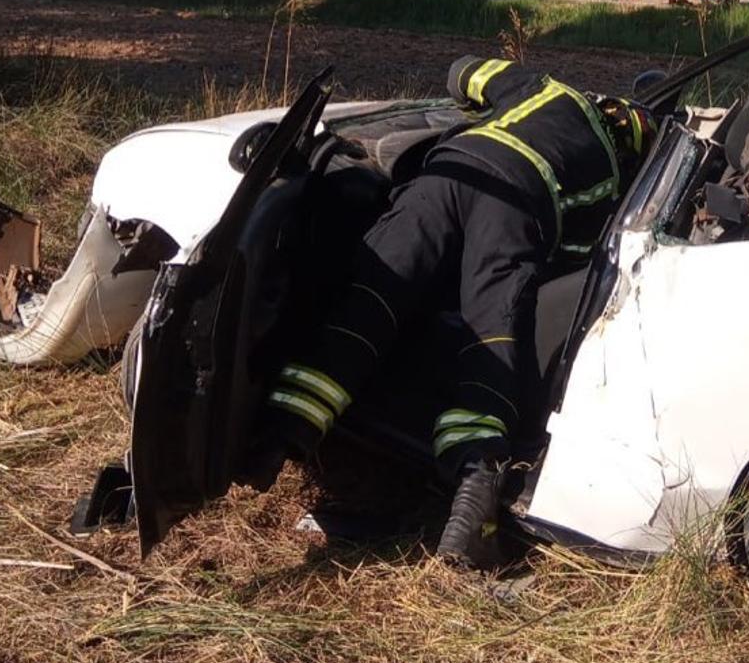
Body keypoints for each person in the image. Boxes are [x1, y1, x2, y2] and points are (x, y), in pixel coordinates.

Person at [250, 56, 658, 568]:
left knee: (371, 298)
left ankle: (277, 437)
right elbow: (571, 269)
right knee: (490, 341)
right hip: (514, 212)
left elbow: (464, 72)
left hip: (448, 172)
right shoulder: (611, 171)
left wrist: (472, 104)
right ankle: (472, 502)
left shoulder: (549, 89)